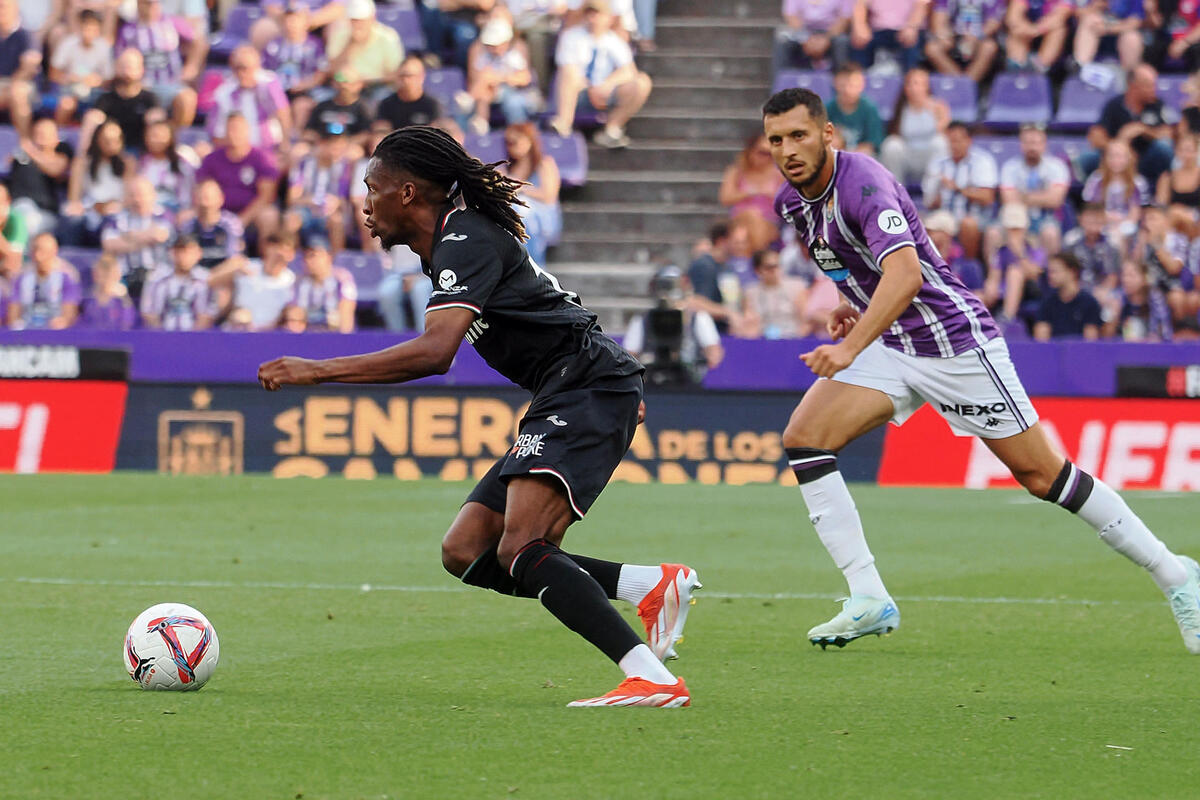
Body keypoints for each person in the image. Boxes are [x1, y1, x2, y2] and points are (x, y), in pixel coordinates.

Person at [257, 125, 700, 707]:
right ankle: (649, 585)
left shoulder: (463, 239)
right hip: (576, 386)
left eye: (372, 187)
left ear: (408, 193)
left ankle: (653, 678)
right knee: (466, 549)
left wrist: (317, 370)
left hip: (585, 385)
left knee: (521, 547)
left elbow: (435, 352)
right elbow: (555, 307)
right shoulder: (452, 244)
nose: (363, 202)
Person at [761, 86, 1200, 654]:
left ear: (827, 134)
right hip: (893, 342)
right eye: (776, 140)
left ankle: (1175, 575)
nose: (788, 149)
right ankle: (868, 595)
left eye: (799, 135)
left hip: (955, 345)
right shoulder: (792, 204)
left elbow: (907, 276)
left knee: (1046, 478)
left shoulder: (864, 183)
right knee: (805, 440)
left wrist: (850, 347)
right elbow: (861, 269)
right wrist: (857, 310)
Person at [550, 0, 653, 148]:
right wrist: (590, 86)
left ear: (609, 17)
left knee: (642, 82)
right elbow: (567, 69)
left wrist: (606, 85)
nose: (593, 19)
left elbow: (629, 70)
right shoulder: (571, 37)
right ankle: (563, 123)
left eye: (598, 14)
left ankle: (612, 128)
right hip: (579, 93)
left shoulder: (614, 40)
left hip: (605, 93)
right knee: (569, 76)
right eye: (590, 14)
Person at [624, 264, 723, 383]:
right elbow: (629, 356)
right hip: (653, 379)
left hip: (688, 380)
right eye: (664, 286)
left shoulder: (698, 318)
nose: (668, 292)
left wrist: (701, 358)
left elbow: (714, 353)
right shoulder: (643, 319)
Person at [114, 0, 201, 128]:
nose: (152, 6)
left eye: (154, 2)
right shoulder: (128, 30)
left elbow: (199, 40)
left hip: (170, 84)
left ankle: (176, 138)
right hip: (141, 87)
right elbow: (119, 57)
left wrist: (191, 66)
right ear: (139, 4)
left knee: (188, 98)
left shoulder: (172, 23)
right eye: (147, 3)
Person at [195, 113, 282, 240]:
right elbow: (202, 188)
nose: (233, 133)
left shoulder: (261, 158)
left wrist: (242, 220)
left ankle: (266, 258)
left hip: (250, 214)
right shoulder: (212, 159)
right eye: (230, 129)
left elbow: (266, 196)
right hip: (217, 212)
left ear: (247, 131)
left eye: (237, 129)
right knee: (186, 216)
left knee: (269, 216)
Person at [1086, 63, 1175, 186]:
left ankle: (1168, 188)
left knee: (1163, 148)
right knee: (1088, 158)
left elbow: (1168, 134)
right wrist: (1119, 145)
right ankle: (1090, 197)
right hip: (1118, 160)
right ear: (1133, 86)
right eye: (1148, 85)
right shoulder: (1114, 106)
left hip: (1147, 157)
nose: (1154, 89)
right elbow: (1096, 136)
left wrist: (1143, 130)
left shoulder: (1157, 105)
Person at [921, 121, 997, 260]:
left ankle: (969, 265)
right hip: (944, 215)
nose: (954, 145)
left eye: (958, 141)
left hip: (973, 215)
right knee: (931, 227)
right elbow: (929, 203)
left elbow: (988, 198)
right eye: (950, 141)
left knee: (968, 224)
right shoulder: (937, 163)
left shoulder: (982, 161)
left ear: (968, 141)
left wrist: (958, 189)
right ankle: (939, 271)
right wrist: (936, 193)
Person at [998, 122, 1071, 255]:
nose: (1032, 147)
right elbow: (1008, 200)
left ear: (1045, 144)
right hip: (1016, 217)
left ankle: (1049, 273)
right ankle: (999, 273)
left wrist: (1022, 196)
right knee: (994, 232)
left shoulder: (1057, 166)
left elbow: (1055, 200)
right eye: (1028, 142)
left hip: (1046, 217)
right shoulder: (1010, 167)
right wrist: (1043, 196)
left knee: (1050, 233)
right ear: (1021, 145)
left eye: (1036, 142)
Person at [100, 177, 173, 302]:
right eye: (133, 195)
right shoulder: (116, 218)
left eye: (142, 195)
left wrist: (126, 236)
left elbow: (159, 236)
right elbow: (109, 244)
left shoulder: (163, 214)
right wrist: (145, 239)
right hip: (125, 276)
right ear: (126, 197)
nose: (138, 200)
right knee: (110, 292)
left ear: (153, 195)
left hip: (157, 275)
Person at [208, 230, 297, 330]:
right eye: (276, 247)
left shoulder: (291, 280)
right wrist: (231, 268)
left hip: (271, 333)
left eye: (285, 250)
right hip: (240, 328)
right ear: (266, 248)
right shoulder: (247, 267)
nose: (279, 253)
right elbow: (210, 281)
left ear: (292, 255)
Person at [499, 122, 561, 267]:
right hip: (514, 216)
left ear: (529, 140)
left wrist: (521, 189)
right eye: (508, 142)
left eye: (515, 142)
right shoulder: (505, 168)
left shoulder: (544, 164)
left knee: (522, 210)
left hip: (543, 215)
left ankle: (533, 265)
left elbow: (548, 197)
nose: (511, 146)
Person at [208, 45, 292, 150]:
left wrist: (285, 144)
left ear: (257, 66)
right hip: (238, 152)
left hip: (269, 148)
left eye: (245, 68)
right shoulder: (223, 93)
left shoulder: (269, 83)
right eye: (237, 68)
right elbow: (216, 133)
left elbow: (283, 113)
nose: (242, 73)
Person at [463, 17, 538, 134]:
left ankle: (469, 98)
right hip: (493, 92)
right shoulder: (485, 57)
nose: (493, 49)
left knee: (513, 103)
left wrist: (500, 78)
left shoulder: (513, 57)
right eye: (490, 45)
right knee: (484, 93)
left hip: (516, 92)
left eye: (496, 45)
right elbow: (478, 77)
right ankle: (481, 122)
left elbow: (525, 79)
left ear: (506, 42)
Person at [879, 67, 950, 187]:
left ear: (926, 86)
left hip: (929, 156)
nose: (913, 88)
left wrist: (936, 112)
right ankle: (897, 189)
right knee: (892, 144)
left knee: (940, 142)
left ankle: (933, 191)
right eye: (909, 84)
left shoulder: (938, 106)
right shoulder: (901, 108)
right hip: (908, 156)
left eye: (917, 84)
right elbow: (896, 133)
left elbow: (944, 131)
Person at [719, 134, 785, 253]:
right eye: (762, 153)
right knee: (751, 217)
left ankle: (751, 259)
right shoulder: (737, 171)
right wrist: (752, 193)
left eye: (770, 154)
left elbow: (786, 201)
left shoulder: (778, 174)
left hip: (770, 221)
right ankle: (758, 257)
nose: (766, 158)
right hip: (740, 218)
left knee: (755, 224)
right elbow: (725, 198)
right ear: (751, 151)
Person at [47, 8, 113, 126]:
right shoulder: (68, 43)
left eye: (93, 28)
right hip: (69, 91)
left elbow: (109, 79)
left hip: (95, 93)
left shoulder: (104, 47)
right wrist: (69, 78)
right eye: (86, 27)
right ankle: (59, 136)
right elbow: (53, 74)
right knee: (66, 104)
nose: (89, 32)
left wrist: (97, 81)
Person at [8, 117, 73, 236]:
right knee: (21, 213)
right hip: (19, 205)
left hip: (45, 212)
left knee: (28, 222)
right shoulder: (21, 156)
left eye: (46, 132)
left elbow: (56, 170)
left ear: (56, 137)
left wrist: (31, 152)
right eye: (38, 132)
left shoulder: (61, 154)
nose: (41, 135)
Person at [1081, 138, 1149, 245]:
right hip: (1099, 222)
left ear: (1129, 158)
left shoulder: (1138, 182)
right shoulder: (1096, 179)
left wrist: (1120, 222)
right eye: (1112, 156)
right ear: (1105, 158)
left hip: (1127, 224)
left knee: (1117, 237)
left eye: (1120, 156)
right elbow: (1092, 209)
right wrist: (1107, 218)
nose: (1116, 160)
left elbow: (1135, 214)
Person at [6, 232, 81, 329]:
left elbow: (69, 314)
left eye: (43, 251)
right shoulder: (21, 277)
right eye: (34, 250)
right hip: (26, 329)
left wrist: (61, 322)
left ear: (54, 251)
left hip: (56, 332)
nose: (38, 256)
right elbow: (14, 313)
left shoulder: (68, 276)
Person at [325, 0, 404, 91]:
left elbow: (396, 73)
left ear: (372, 18)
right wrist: (351, 45)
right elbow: (333, 72)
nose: (358, 24)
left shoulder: (387, 37)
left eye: (362, 20)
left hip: (378, 86)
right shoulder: (339, 35)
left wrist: (364, 81)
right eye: (354, 20)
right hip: (345, 87)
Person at [92, 48, 161, 153]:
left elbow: (159, 126)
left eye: (131, 67)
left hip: (141, 151)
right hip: (112, 153)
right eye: (123, 66)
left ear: (141, 69)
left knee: (156, 118)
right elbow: (94, 120)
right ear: (116, 68)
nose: (127, 72)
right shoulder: (106, 99)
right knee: (93, 118)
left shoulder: (149, 99)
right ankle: (86, 158)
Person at [140, 233, 213, 330]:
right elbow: (149, 312)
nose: (183, 256)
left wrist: (194, 337)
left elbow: (207, 313)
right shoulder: (157, 278)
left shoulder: (206, 279)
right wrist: (161, 336)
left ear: (199, 253)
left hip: (196, 337)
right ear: (172, 253)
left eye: (188, 252)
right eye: (179, 251)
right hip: (163, 335)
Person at [285, 235, 356, 332]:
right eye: (306, 256)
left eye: (314, 255)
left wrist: (343, 340)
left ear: (328, 256)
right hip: (305, 337)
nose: (310, 261)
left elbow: (346, 316)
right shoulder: (298, 283)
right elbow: (293, 315)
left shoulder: (342, 279)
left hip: (333, 335)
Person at [924, 0, 1003, 83]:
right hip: (954, 37)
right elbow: (939, 20)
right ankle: (962, 84)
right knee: (932, 49)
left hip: (981, 37)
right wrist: (944, 37)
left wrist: (977, 38)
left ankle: (967, 85)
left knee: (989, 47)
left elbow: (993, 23)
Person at [1033, 252, 1103, 341]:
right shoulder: (1047, 303)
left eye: (1054, 272)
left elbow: (1090, 342)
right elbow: (1041, 340)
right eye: (1049, 272)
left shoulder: (1089, 303)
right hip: (1053, 353)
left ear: (1072, 272)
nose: (1050, 276)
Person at [741, 248, 806, 339]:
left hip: (791, 338)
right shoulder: (750, 292)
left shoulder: (796, 287)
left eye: (777, 266)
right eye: (769, 267)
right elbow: (749, 322)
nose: (774, 270)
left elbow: (805, 321)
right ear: (758, 270)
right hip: (762, 339)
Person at [774, 0, 852, 74]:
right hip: (802, 31)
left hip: (831, 33)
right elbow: (790, 15)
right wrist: (805, 37)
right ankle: (780, 84)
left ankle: (841, 82)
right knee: (782, 40)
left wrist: (826, 38)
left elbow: (844, 17)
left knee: (842, 41)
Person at [1104, 258, 1172, 341]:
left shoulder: (1155, 298)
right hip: (1121, 349)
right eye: (1124, 275)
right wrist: (1114, 316)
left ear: (1144, 278)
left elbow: (1164, 332)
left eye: (1131, 275)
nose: (1126, 280)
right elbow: (1106, 337)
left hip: (1149, 349)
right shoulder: (1115, 296)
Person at [848, 0, 925, 73]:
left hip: (905, 30)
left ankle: (910, 78)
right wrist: (860, 27)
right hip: (877, 30)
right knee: (858, 41)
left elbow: (920, 7)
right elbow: (860, 5)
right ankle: (858, 79)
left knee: (911, 42)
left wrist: (911, 27)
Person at [825, 61, 882, 156]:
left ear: (861, 85)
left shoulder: (869, 108)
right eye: (842, 85)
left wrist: (852, 155)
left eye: (852, 85)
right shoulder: (827, 109)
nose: (847, 90)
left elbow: (873, 143)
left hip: (862, 158)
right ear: (835, 83)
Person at [138, 119, 195, 215]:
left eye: (160, 136)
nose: (156, 140)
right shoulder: (142, 163)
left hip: (176, 210)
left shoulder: (182, 162)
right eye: (152, 136)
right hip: (148, 211)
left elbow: (188, 191)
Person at [0, 0, 40, 136]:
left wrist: (10, 85)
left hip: (23, 84)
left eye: (3, 7)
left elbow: (29, 68)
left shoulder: (26, 35)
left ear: (15, 9)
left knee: (17, 93)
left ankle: (25, 143)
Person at [376, 55, 442, 131]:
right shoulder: (386, 104)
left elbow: (437, 132)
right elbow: (381, 131)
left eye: (409, 76)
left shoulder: (432, 104)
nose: (405, 80)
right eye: (402, 76)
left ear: (421, 77)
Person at [1004, 0, 1072, 72]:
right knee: (1016, 29)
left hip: (1049, 33)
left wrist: (1037, 30)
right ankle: (1017, 66)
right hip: (1029, 31)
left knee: (1059, 29)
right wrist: (1030, 30)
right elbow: (1013, 18)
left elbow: (1060, 17)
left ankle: (1041, 66)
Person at [78, 253, 137, 329]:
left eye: (107, 275)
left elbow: (127, 323)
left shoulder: (121, 298)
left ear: (116, 275)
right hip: (92, 338)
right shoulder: (87, 298)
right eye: (100, 275)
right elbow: (82, 323)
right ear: (95, 275)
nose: (103, 280)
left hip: (117, 338)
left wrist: (123, 298)